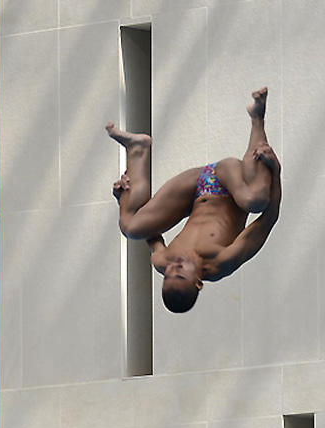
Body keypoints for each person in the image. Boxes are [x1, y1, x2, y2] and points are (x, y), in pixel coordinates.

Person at [107, 87, 281, 313]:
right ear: (198, 283)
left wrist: (124, 201)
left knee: (130, 227)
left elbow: (150, 233)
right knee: (256, 200)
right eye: (179, 273)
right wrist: (275, 170)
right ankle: (257, 118)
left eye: (168, 274)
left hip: (196, 186)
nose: (173, 267)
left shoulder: (163, 260)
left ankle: (137, 150)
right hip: (230, 179)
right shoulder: (222, 261)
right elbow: (269, 219)